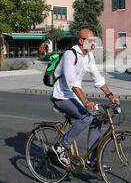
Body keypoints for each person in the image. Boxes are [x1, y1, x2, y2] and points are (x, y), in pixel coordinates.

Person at [49, 29, 120, 171]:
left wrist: (110, 95)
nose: (93, 43)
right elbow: (71, 82)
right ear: (81, 41)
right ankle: (61, 147)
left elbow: (97, 78)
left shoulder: (88, 56)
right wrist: (86, 102)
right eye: (90, 40)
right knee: (87, 117)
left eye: (94, 40)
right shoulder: (71, 54)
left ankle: (91, 160)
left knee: (97, 118)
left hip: (74, 96)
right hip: (61, 96)